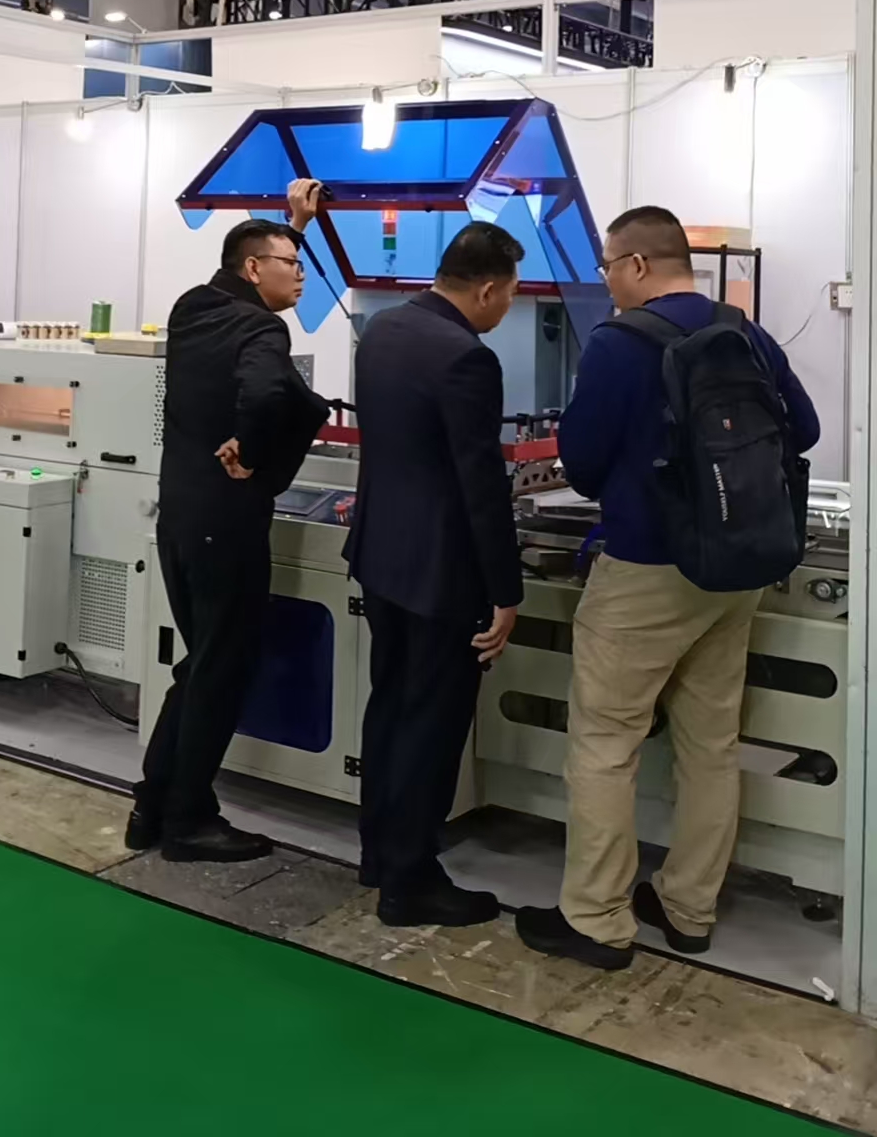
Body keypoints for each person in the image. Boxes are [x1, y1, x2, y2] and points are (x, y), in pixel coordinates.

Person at [516, 205, 820, 971]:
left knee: (605, 743)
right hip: (738, 566)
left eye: (608, 268)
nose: (606, 282)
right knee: (710, 745)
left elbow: (582, 463)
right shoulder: (744, 332)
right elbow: (807, 429)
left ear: (638, 265)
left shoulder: (620, 344)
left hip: (646, 570)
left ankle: (597, 919)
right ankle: (689, 908)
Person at [126, 180, 331, 860]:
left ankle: (153, 805)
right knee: (223, 667)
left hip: (179, 515)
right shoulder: (264, 328)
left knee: (202, 661)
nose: (300, 274)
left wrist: (295, 224)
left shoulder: (191, 307)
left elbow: (250, 270)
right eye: (290, 263)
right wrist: (252, 449)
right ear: (253, 268)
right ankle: (188, 821)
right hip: (228, 519)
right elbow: (268, 393)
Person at [347, 222, 525, 928]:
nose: (506, 308)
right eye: (508, 296)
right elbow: (481, 485)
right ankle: (411, 881)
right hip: (442, 573)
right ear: (487, 289)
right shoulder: (467, 358)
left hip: (381, 555)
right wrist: (506, 591)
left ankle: (380, 855)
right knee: (433, 724)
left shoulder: (383, 329)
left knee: (391, 706)